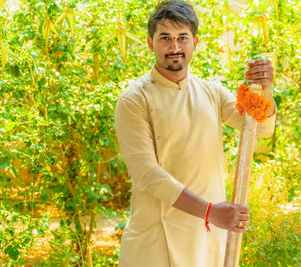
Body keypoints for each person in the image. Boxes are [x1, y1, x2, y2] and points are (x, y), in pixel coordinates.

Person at [114, 1, 276, 266]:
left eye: (182, 38)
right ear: (150, 43)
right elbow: (147, 174)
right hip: (155, 244)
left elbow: (262, 129)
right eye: (165, 38)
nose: (174, 47)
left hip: (206, 238)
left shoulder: (212, 93)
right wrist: (210, 212)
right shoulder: (134, 99)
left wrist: (265, 89)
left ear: (195, 42)